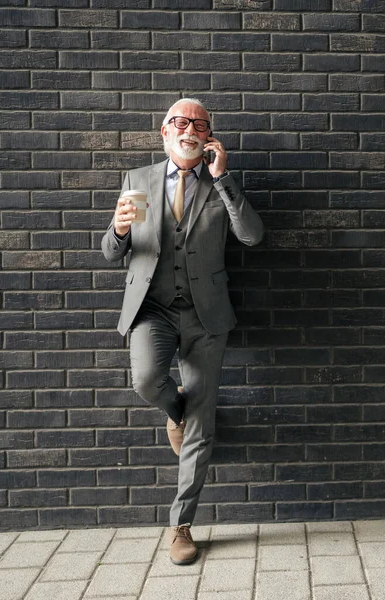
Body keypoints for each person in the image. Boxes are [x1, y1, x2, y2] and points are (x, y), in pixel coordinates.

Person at [101, 98, 265, 565]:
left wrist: (224, 179)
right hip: (152, 309)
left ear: (209, 135)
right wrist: (117, 228)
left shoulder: (220, 184)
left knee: (202, 422)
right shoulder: (138, 180)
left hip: (206, 314)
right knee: (147, 382)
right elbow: (111, 252)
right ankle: (177, 414)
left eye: (199, 123)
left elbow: (252, 235)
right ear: (164, 130)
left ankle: (181, 525)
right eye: (180, 121)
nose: (188, 128)